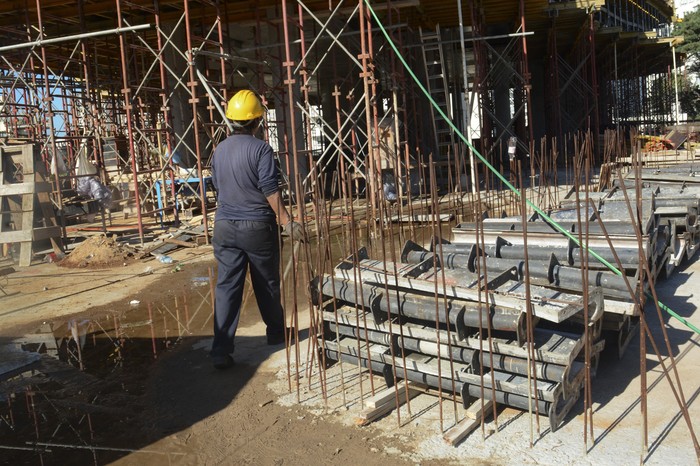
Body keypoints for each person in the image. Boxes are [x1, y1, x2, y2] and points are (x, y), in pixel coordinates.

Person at [210, 89, 304, 370]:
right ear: (257, 122)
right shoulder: (261, 148)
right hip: (257, 227)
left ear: (231, 121)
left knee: (227, 286)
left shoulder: (219, 150)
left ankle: (220, 350)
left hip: (224, 226)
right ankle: (276, 333)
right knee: (266, 282)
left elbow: (217, 186)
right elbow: (270, 191)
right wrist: (287, 222)